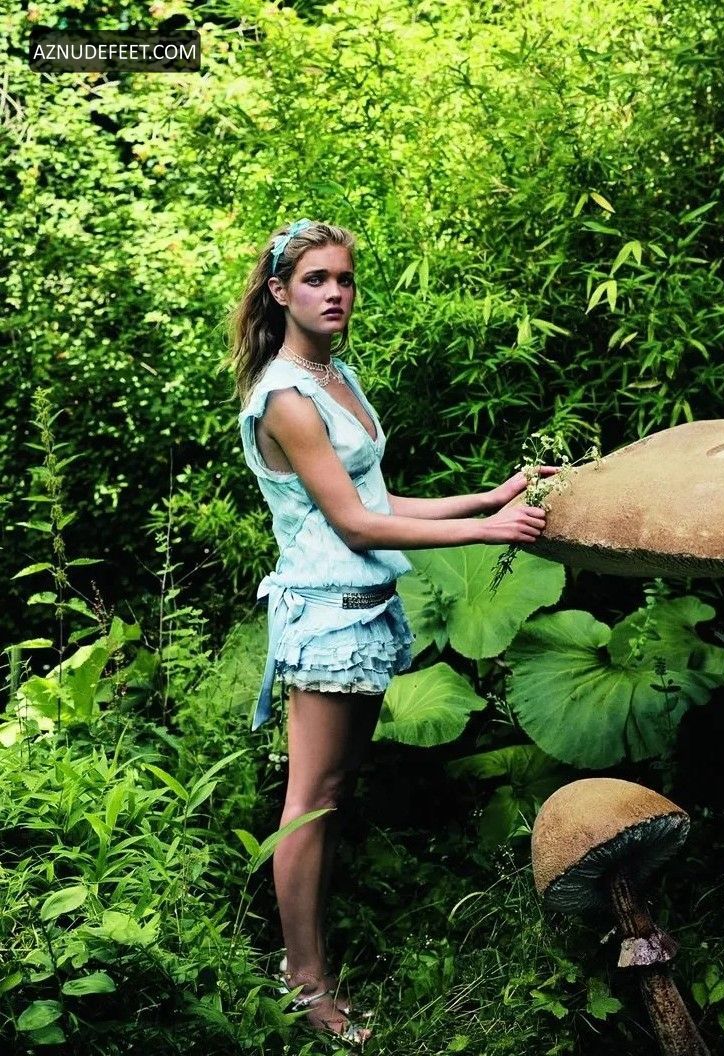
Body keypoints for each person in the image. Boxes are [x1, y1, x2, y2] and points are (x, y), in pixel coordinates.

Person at [228, 218, 556, 1044]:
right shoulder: (286, 396)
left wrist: (489, 496)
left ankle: (310, 968)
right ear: (280, 292)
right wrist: (489, 531)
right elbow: (356, 526)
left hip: (366, 611)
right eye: (315, 280)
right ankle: (305, 987)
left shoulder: (336, 377)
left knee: (331, 797)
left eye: (343, 278)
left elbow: (376, 501)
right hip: (325, 617)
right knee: (309, 803)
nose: (335, 292)